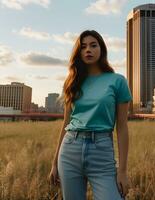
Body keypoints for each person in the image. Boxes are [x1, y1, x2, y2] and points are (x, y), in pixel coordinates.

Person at [48, 30, 133, 200]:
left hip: (101, 150)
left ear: (101, 49)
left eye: (93, 45)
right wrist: (54, 162)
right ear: (78, 52)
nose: (88, 50)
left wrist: (122, 171)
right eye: (83, 47)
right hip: (70, 149)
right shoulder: (72, 81)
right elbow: (66, 123)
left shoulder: (117, 81)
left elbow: (122, 127)